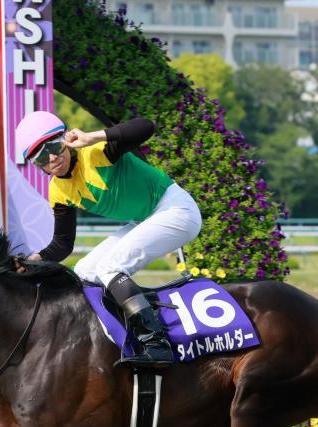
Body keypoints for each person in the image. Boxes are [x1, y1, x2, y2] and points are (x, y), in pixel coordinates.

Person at [14, 111, 202, 368]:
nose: (53, 158)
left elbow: (147, 125)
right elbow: (62, 245)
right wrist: (33, 260)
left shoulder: (97, 152)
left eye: (55, 147)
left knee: (110, 268)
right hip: (144, 219)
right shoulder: (57, 191)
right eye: (42, 157)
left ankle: (156, 343)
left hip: (176, 209)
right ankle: (115, 335)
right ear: (38, 166)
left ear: (66, 140)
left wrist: (91, 136)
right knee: (84, 271)